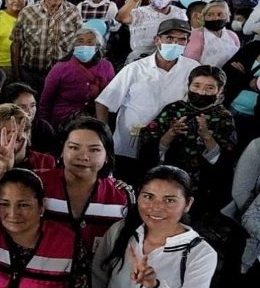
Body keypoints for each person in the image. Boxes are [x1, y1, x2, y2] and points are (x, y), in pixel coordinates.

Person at [96, 19, 200, 180]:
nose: (175, 43)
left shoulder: (192, 68)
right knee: (128, 184)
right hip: (130, 143)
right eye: (170, 38)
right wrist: (104, 137)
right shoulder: (135, 69)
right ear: (157, 40)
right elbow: (104, 102)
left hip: (171, 145)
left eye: (181, 40)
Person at [139, 65, 236, 215]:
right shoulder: (173, 109)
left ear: (220, 90)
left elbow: (225, 160)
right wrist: (171, 133)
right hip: (164, 180)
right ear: (189, 85)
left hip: (200, 189)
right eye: (196, 86)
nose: (201, 92)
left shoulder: (224, 117)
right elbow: (149, 145)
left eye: (210, 88)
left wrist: (206, 136)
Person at [40, 117, 131, 253]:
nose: (83, 157)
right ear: (62, 150)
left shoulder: (121, 197)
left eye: (94, 150)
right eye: (74, 147)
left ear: (107, 155)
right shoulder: (37, 184)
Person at [0, 104, 57, 206]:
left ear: (26, 133)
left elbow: (49, 200)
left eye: (14, 132)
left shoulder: (47, 161)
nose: (6, 139)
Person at [10, 0, 82, 90]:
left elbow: (78, 44)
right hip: (30, 74)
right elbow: (16, 44)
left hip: (62, 75)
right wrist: (16, 75)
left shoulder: (74, 13)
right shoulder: (27, 12)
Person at [40, 29, 115, 129]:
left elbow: (110, 97)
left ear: (97, 47)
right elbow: (46, 100)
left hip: (97, 116)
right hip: (64, 117)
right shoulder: (60, 67)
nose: (85, 45)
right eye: (80, 41)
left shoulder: (107, 67)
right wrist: (43, 126)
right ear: (74, 46)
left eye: (90, 42)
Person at [116, 0, 187, 64]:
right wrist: (133, 0)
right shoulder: (141, 13)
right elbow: (121, 18)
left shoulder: (181, 14)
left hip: (171, 59)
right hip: (140, 59)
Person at [183, 1, 240, 67]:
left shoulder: (232, 35)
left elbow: (239, 57)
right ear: (204, 17)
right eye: (210, 15)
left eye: (220, 14)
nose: (215, 18)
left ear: (227, 17)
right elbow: (189, 63)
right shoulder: (196, 35)